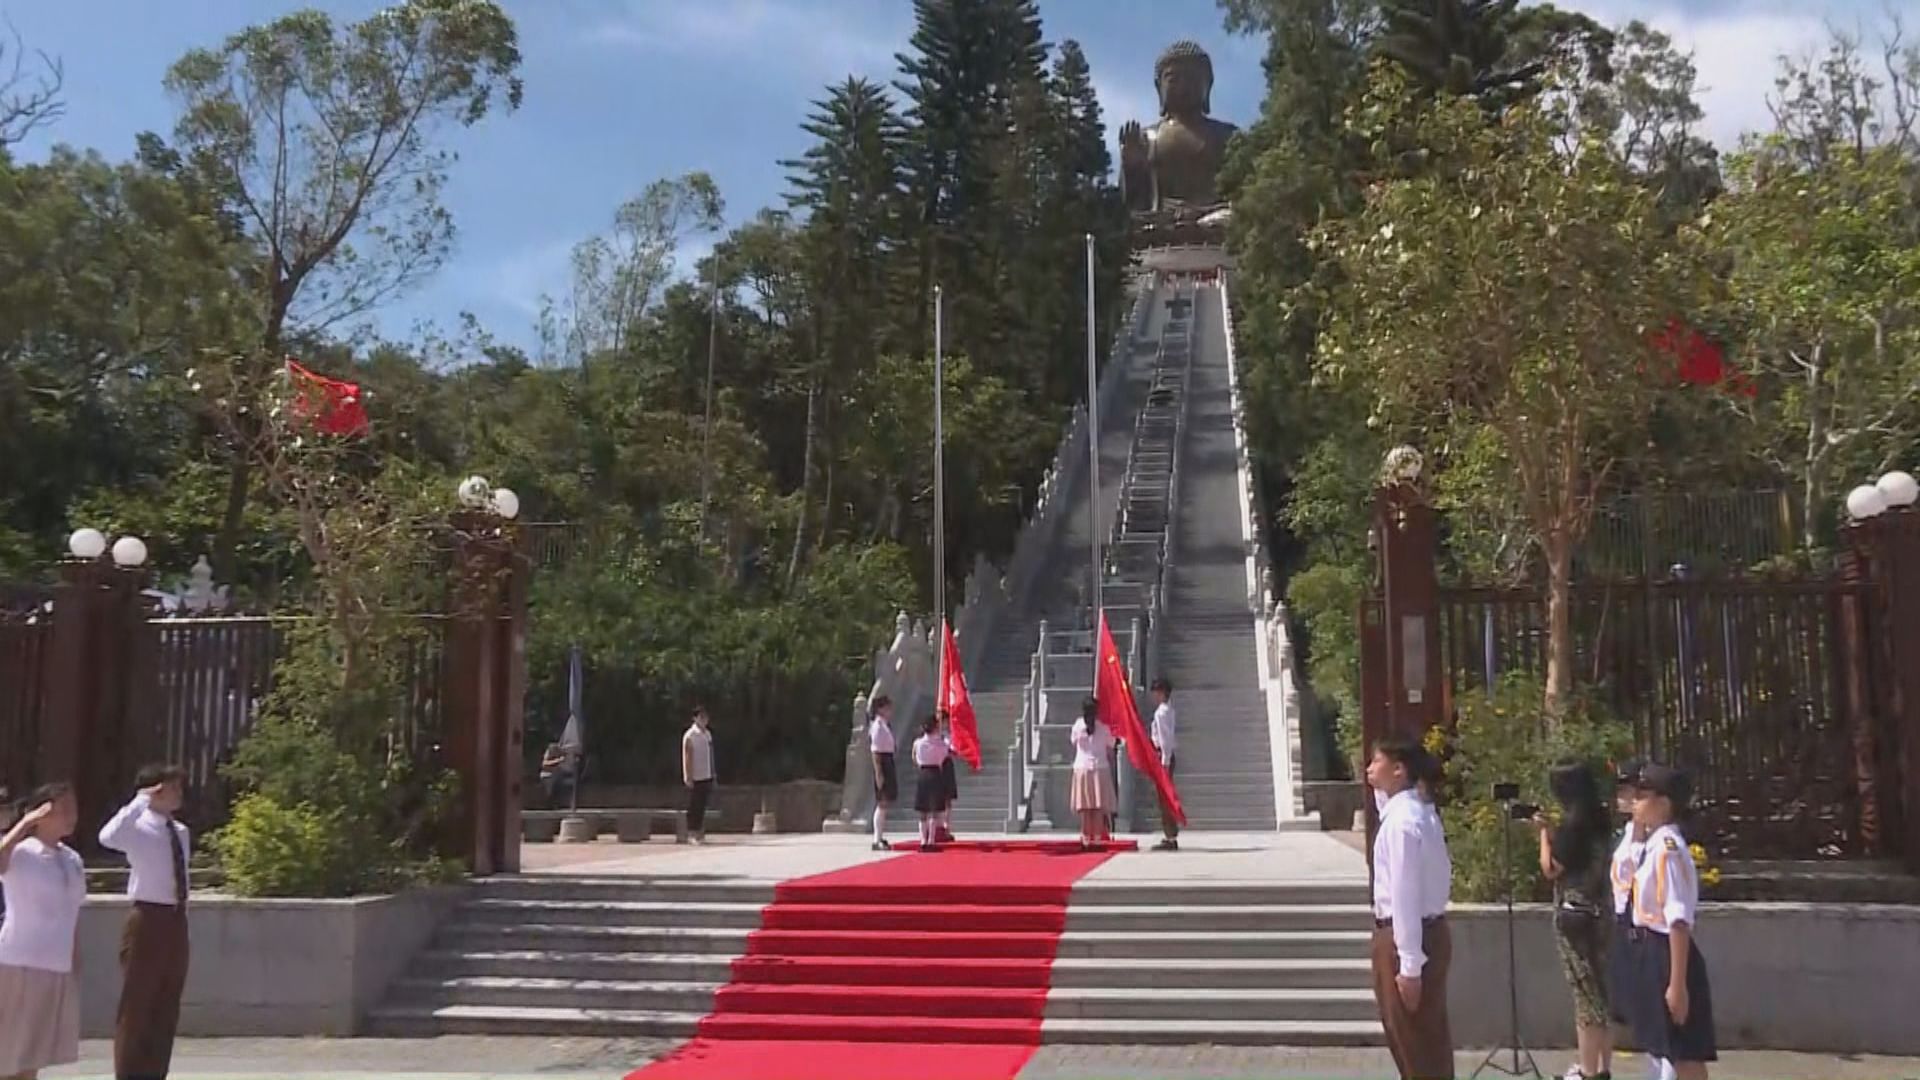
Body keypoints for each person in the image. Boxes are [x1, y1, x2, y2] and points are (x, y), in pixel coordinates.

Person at [1366, 736, 1454, 1080]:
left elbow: (1405, 894)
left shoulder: (1402, 823)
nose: (1370, 768)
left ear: (1399, 770)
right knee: (1421, 1042)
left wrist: (1410, 964)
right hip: (1422, 931)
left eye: (1377, 761)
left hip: (1407, 935)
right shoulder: (1413, 812)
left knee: (1416, 1046)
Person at [99, 764, 192, 1080]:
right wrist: (139, 801)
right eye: (173, 787)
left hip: (176, 917)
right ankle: (129, 1073)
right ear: (156, 790)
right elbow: (107, 837)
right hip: (147, 916)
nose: (179, 793)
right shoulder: (137, 826)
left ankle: (155, 1072)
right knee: (138, 1000)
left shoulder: (180, 832)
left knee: (167, 1000)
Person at [1625, 765, 1716, 1080]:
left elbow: (1677, 920)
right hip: (1652, 950)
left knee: (1684, 1053)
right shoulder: (1651, 844)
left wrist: (1677, 985)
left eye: (1642, 795)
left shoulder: (1668, 851)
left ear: (1663, 803)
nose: (1634, 801)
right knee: (1665, 1048)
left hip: (1670, 954)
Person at [0, 783, 85, 1080]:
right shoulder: (23, 852)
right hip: (20, 962)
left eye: (73, 808)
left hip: (55, 964)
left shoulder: (72, 859)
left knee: (34, 1054)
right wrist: (25, 823)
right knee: (11, 1053)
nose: (70, 816)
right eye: (61, 809)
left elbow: (72, 913)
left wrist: (75, 958)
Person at [1537, 762, 1615, 1080]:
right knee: (1603, 997)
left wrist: (1543, 834)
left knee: (1584, 998)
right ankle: (1603, 1068)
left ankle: (1586, 1070)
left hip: (1573, 914)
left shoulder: (1573, 826)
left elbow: (1551, 868)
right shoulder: (1601, 819)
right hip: (1601, 912)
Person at [1069, 696, 1116, 850]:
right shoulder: (1103, 728)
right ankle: (1096, 839)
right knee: (1097, 806)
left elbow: (1073, 742)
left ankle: (1085, 838)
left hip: (1082, 767)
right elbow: (1111, 746)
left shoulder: (1077, 726)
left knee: (1085, 807)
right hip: (1099, 767)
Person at [911, 715, 951, 853]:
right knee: (934, 811)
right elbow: (946, 755)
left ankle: (923, 841)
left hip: (923, 773)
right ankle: (931, 841)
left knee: (923, 811)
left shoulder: (918, 743)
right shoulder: (941, 743)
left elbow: (914, 758)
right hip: (935, 773)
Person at [1149, 677, 1179, 851]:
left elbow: (1165, 738)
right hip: (1165, 755)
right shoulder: (1169, 710)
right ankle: (1170, 833)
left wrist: (1164, 763)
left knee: (1164, 798)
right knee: (1165, 798)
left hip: (1163, 756)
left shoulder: (1161, 712)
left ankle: (1170, 835)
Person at [867, 696, 898, 853]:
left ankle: (880, 836)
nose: (889, 711)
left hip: (888, 759)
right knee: (882, 802)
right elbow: (876, 752)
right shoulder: (877, 726)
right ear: (880, 708)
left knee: (885, 804)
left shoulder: (885, 725)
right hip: (882, 762)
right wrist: (879, 773)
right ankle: (876, 838)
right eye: (887, 707)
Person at [682, 706, 715, 845]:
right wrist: (688, 775)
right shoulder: (690, 735)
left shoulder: (707, 734)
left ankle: (700, 832)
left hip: (706, 774)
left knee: (702, 805)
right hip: (695, 776)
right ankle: (691, 833)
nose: (704, 720)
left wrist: (713, 771)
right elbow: (687, 756)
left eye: (705, 717)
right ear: (695, 718)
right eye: (701, 717)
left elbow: (710, 753)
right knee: (694, 806)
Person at [936, 709, 959, 844]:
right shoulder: (931, 735)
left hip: (946, 765)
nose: (941, 723)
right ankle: (936, 828)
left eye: (943, 721)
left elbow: (955, 751)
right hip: (934, 766)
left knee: (947, 799)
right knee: (936, 799)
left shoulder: (950, 736)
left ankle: (946, 827)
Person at [539, 741, 577, 808]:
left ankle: (557, 805)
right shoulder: (549, 752)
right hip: (547, 776)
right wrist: (558, 760)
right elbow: (544, 764)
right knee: (550, 793)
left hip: (556, 776)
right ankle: (549, 806)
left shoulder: (560, 752)